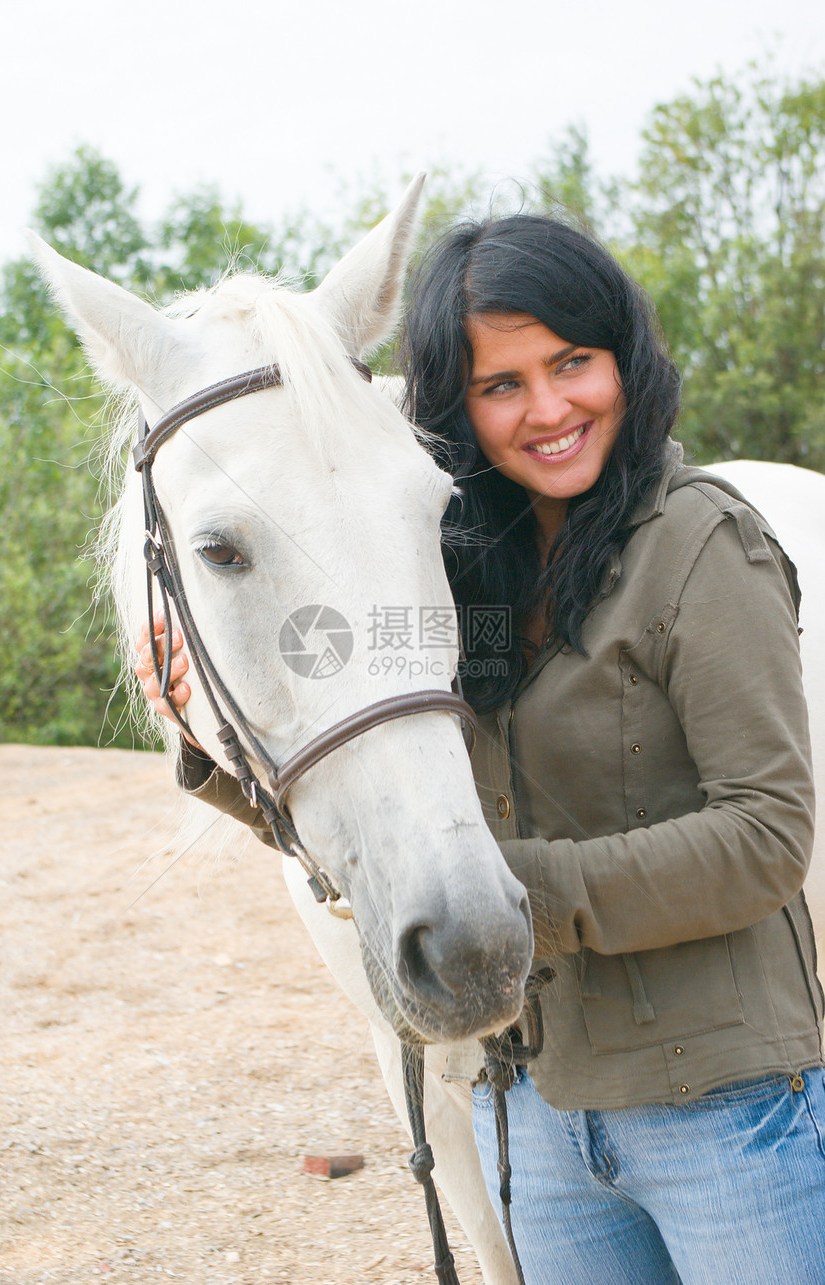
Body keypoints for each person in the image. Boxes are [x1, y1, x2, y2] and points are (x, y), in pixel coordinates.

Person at [136, 214, 825, 1284]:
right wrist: (212, 756)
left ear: (623, 360)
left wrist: (514, 892)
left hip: (719, 1113)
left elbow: (766, 837)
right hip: (542, 1121)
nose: (546, 410)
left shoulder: (701, 549)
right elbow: (395, 794)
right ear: (454, 406)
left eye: (572, 363)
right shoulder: (473, 585)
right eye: (502, 385)